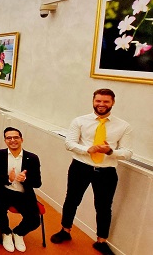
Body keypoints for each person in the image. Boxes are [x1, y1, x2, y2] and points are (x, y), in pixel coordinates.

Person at [50, 89, 133, 255]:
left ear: (113, 103)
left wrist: (111, 152)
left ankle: (101, 241)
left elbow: (128, 152)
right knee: (72, 200)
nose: (101, 104)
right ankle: (65, 230)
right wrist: (89, 149)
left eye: (106, 101)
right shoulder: (80, 121)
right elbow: (70, 144)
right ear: (93, 101)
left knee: (103, 207)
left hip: (107, 171)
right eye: (98, 101)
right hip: (80, 167)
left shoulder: (123, 126)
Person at [0, 127, 42, 253]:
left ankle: (18, 233)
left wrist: (25, 179)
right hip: (4, 192)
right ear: (5, 140)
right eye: (9, 138)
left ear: (21, 139)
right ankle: (6, 233)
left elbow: (37, 183)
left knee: (35, 220)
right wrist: (8, 179)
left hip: (23, 194)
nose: (12, 140)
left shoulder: (32, 158)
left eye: (16, 137)